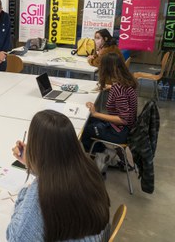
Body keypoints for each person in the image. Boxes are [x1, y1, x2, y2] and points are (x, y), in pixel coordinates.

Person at [7, 110, 110, 242]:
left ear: (36, 148)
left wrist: (23, 194)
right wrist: (31, 164)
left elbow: (16, 238)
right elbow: (56, 168)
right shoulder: (88, 166)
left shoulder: (43, 195)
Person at [82, 52, 138, 153]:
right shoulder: (125, 82)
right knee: (89, 121)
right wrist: (110, 87)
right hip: (125, 129)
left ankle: (101, 154)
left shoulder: (119, 89)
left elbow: (123, 120)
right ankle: (100, 151)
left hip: (120, 132)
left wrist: (96, 113)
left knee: (85, 130)